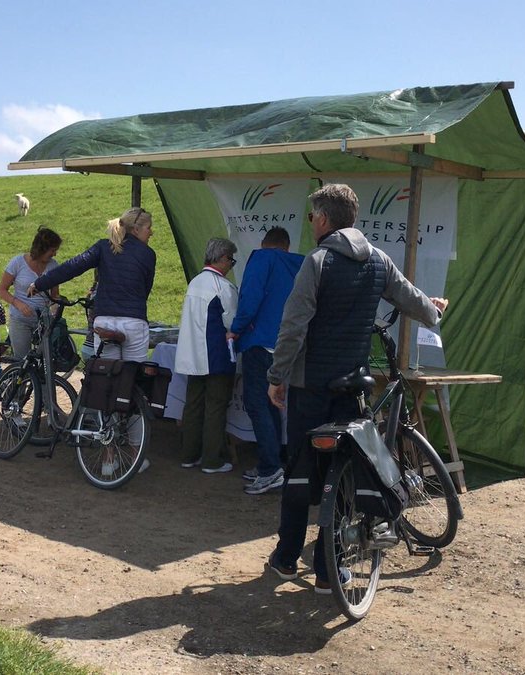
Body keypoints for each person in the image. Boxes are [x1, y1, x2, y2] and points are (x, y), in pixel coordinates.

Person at [264, 184, 448, 594]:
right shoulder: (379, 260)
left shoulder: (317, 262)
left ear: (324, 219)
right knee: (344, 474)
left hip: (310, 385)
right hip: (352, 384)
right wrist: (433, 313)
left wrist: (277, 377)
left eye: (313, 216)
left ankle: (286, 558)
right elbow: (412, 299)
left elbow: (293, 327)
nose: (312, 223)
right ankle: (332, 571)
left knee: (299, 470)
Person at [226, 226, 304, 495]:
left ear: (264, 243)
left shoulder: (261, 259)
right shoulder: (301, 264)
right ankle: (275, 463)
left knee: (257, 403)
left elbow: (251, 297)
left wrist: (236, 328)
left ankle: (270, 469)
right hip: (291, 346)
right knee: (276, 403)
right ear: (287, 246)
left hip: (260, 343)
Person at [30, 207, 156, 361]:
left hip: (105, 321)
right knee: (135, 375)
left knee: (105, 373)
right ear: (136, 230)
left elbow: (73, 266)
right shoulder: (148, 254)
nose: (151, 232)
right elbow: (144, 291)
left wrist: (39, 284)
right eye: (149, 228)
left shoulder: (103, 247)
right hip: (133, 322)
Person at [175, 238, 240, 474]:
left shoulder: (195, 283)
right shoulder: (222, 287)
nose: (231, 264)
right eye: (231, 260)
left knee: (192, 405)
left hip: (192, 354)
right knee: (215, 406)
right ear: (222, 258)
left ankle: (188, 455)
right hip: (216, 355)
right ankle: (211, 459)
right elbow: (233, 321)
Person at [0, 227, 62, 359]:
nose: (54, 254)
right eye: (52, 250)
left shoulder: (53, 266)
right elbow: (1, 291)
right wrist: (18, 304)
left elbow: (55, 295)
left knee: (45, 361)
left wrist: (56, 309)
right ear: (42, 249)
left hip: (44, 322)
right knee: (22, 360)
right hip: (20, 320)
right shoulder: (18, 263)